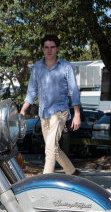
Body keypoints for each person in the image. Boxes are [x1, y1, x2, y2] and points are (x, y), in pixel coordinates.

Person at [20, 34, 81, 176]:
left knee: (49, 147)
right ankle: (73, 173)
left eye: (52, 47)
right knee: (54, 148)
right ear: (42, 49)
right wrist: (23, 109)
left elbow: (73, 91)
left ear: (57, 49)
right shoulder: (36, 67)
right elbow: (31, 91)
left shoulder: (65, 67)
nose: (49, 50)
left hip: (60, 112)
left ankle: (46, 180)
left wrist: (77, 114)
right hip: (43, 114)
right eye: (46, 47)